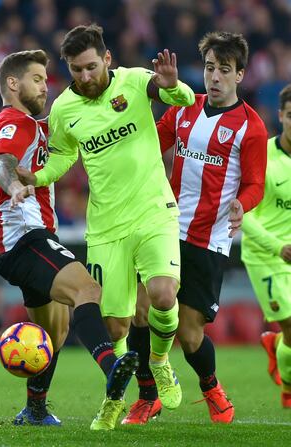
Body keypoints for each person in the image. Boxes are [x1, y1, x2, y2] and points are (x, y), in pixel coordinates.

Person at [16, 24, 195, 429]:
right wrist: (39, 178)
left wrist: (174, 86)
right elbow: (63, 156)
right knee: (114, 325)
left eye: (92, 67)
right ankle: (114, 398)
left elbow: (175, 98)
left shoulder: (133, 82)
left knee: (164, 295)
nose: (85, 77)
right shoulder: (63, 109)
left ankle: (162, 362)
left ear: (108, 59)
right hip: (106, 226)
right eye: (77, 70)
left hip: (154, 211)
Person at [0, 49, 139, 430]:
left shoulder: (35, 125)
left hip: (26, 242)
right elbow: (1, 163)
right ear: (12, 83)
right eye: (37, 79)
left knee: (54, 332)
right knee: (88, 290)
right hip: (27, 239)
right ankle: (111, 366)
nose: (44, 86)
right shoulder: (12, 121)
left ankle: (35, 409)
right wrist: (13, 187)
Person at [123, 31, 268, 425]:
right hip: (163, 225)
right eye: (209, 68)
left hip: (208, 238)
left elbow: (255, 182)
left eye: (224, 70)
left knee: (189, 335)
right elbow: (153, 142)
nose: (214, 77)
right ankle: (147, 396)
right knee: (139, 311)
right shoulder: (184, 108)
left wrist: (243, 203)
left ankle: (210, 387)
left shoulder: (250, 127)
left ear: (240, 74)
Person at [241, 83, 291, 409]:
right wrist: (277, 247)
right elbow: (241, 213)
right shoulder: (264, 157)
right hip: (265, 256)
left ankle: (284, 370)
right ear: (281, 116)